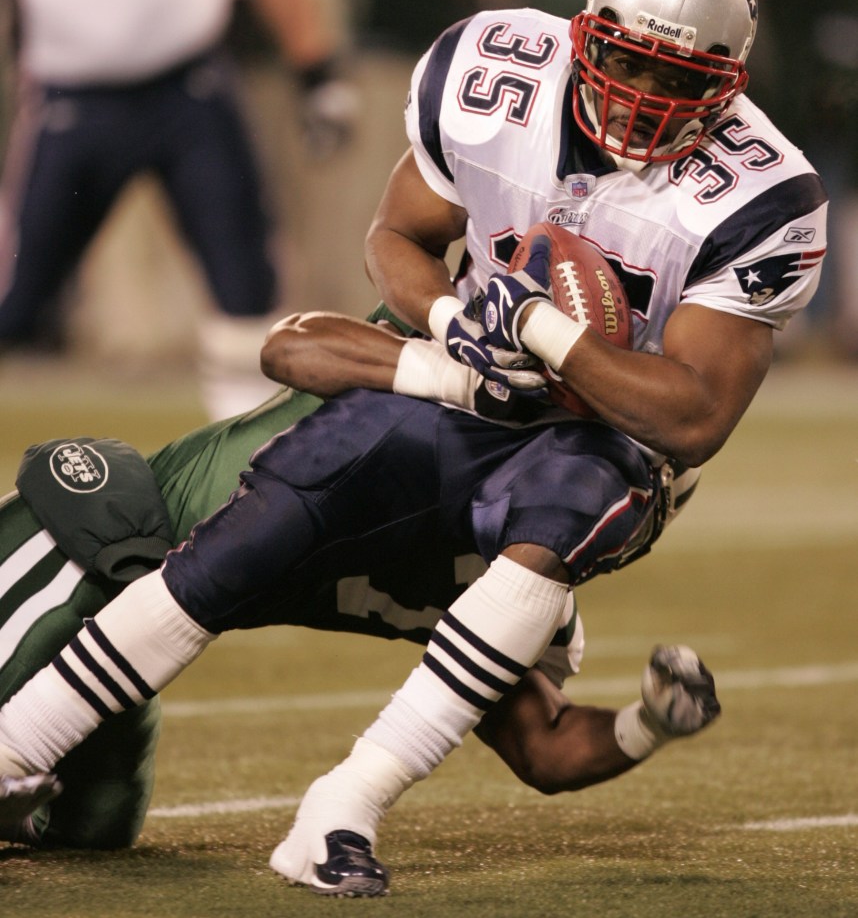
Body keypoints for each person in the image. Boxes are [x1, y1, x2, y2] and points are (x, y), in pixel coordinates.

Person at [0, 0, 825, 897]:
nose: (646, 99)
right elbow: (388, 241)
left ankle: (340, 810)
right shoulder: (494, 75)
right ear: (581, 34)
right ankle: (17, 748)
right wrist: (450, 327)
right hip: (469, 388)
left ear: (731, 87)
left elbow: (688, 419)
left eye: (681, 82)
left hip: (605, 439)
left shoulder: (763, 194)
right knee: (293, 489)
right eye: (626, 62)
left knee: (567, 493)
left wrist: (539, 330)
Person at [0, 307, 713, 848]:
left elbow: (544, 744)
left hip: (135, 652)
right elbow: (289, 345)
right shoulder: (441, 398)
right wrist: (462, 374)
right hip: (89, 548)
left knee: (93, 835)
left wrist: (648, 724)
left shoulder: (519, 589)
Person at [0, 0, 356, 419]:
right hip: (71, 97)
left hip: (187, 89)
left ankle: (251, 467)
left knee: (248, 294)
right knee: (14, 301)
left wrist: (316, 71)